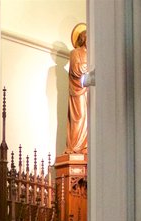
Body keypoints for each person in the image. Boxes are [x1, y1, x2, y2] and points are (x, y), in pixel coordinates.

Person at [65, 23, 88, 155]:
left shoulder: (92, 54)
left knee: (88, 120)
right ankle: (75, 147)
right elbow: (75, 70)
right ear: (83, 38)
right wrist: (89, 67)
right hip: (78, 91)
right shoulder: (75, 53)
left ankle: (85, 146)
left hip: (89, 91)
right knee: (79, 118)